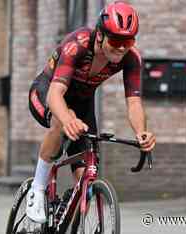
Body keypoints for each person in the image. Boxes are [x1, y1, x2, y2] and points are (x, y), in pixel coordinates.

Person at [27, 1, 156, 223]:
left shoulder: (130, 58)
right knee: (60, 124)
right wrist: (67, 118)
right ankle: (37, 190)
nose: (122, 48)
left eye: (129, 41)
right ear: (100, 36)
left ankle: (68, 214)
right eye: (116, 40)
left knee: (85, 176)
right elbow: (55, 94)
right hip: (47, 91)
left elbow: (134, 102)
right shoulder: (77, 45)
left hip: (82, 104)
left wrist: (141, 132)